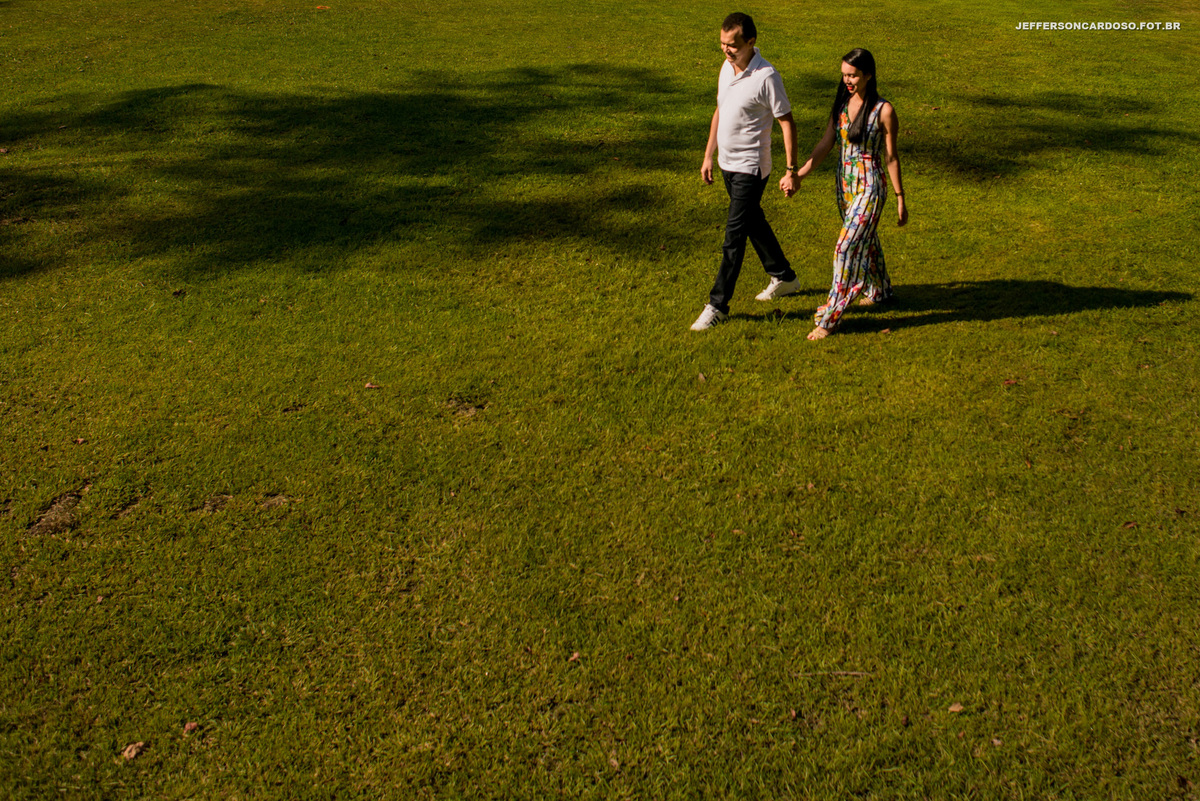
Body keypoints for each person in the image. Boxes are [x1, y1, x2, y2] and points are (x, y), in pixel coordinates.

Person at [691, 12, 802, 331]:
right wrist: (708, 154)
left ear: (751, 42)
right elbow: (720, 109)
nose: (726, 50)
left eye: (733, 45)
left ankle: (717, 305)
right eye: (722, 44)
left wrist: (791, 169)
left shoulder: (767, 77)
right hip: (726, 163)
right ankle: (785, 277)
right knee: (753, 221)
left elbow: (786, 122)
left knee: (734, 236)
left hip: (751, 168)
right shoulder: (726, 68)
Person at [793, 48, 907, 340]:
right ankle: (880, 290)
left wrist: (899, 198)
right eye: (844, 74)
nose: (848, 80)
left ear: (868, 75)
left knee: (845, 247)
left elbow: (892, 158)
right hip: (844, 185)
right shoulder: (842, 105)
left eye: (853, 75)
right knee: (865, 240)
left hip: (871, 186)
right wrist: (799, 174)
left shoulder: (884, 111)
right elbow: (825, 144)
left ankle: (830, 318)